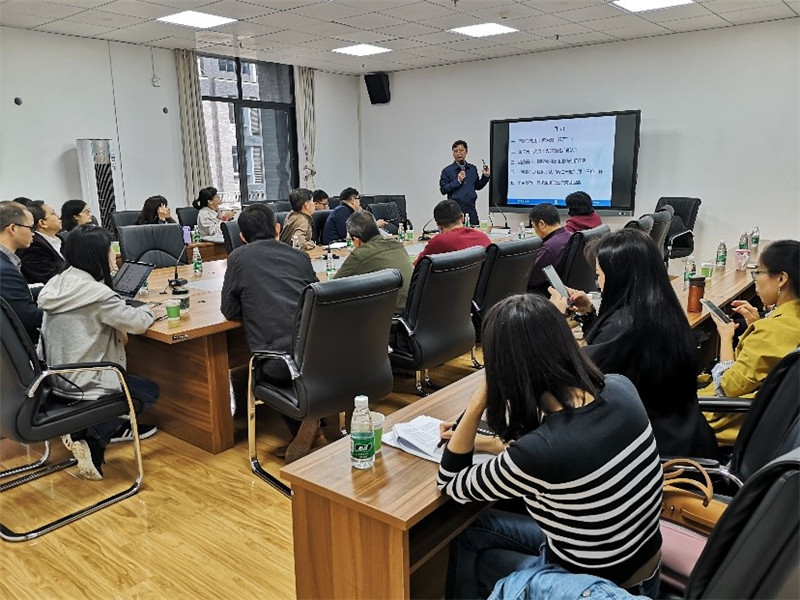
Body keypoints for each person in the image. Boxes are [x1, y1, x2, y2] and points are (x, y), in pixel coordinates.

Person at [437, 294, 662, 599]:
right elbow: (574, 451)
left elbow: (452, 484)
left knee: (469, 538)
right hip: (644, 569)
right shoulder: (621, 387)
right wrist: (486, 444)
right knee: (481, 525)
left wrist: (478, 401)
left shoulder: (541, 452)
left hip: (592, 587)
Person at [551, 229, 718, 458]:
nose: (598, 283)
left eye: (599, 274)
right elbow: (608, 351)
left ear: (618, 276)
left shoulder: (625, 325)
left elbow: (573, 375)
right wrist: (589, 314)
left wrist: (554, 321)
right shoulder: (659, 308)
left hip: (653, 451)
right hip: (685, 436)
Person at [38, 225, 159, 480]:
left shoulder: (56, 284)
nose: (114, 256)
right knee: (148, 392)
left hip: (54, 379)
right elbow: (137, 324)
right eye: (110, 251)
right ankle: (91, 436)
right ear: (96, 255)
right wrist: (149, 310)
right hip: (86, 382)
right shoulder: (97, 294)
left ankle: (83, 430)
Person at [220, 204, 319, 461]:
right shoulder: (300, 257)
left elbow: (229, 310)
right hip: (318, 351)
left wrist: (254, 307)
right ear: (277, 229)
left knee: (259, 371)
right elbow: (317, 297)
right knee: (295, 360)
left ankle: (306, 422)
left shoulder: (238, 258)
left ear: (242, 237)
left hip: (281, 362)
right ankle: (312, 421)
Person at [703, 239, 800, 445]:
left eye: (758, 273)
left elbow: (727, 386)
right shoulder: (788, 322)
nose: (756, 280)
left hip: (725, 422)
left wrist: (726, 337)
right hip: (767, 425)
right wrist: (756, 325)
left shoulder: (773, 330)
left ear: (781, 279)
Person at [333, 210, 412, 314]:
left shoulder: (359, 255)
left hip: (386, 317)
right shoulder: (397, 245)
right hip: (411, 311)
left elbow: (332, 288)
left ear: (356, 240)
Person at [0, 201, 43, 344]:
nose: (34, 233)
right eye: (31, 228)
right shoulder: (4, 271)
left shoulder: (6, 261)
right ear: (13, 228)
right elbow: (29, 318)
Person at [414, 199, 491, 266]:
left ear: (438, 225)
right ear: (462, 217)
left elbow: (416, 267)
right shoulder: (482, 237)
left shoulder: (438, 242)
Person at [439, 140, 490, 228]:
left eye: (461, 150)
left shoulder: (472, 169)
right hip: (455, 211)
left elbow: (477, 186)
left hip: (471, 209)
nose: (459, 153)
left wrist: (485, 176)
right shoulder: (447, 171)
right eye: (456, 151)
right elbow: (443, 189)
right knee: (456, 233)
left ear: (466, 152)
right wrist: (457, 181)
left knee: (474, 232)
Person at [16, 200, 66, 284]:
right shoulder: (34, 245)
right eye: (53, 214)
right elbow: (50, 278)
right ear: (42, 223)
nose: (58, 216)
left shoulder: (59, 239)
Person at [526, 203, 572, 294]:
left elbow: (532, 280)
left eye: (534, 226)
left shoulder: (549, 247)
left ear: (542, 224)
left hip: (545, 295)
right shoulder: (570, 236)